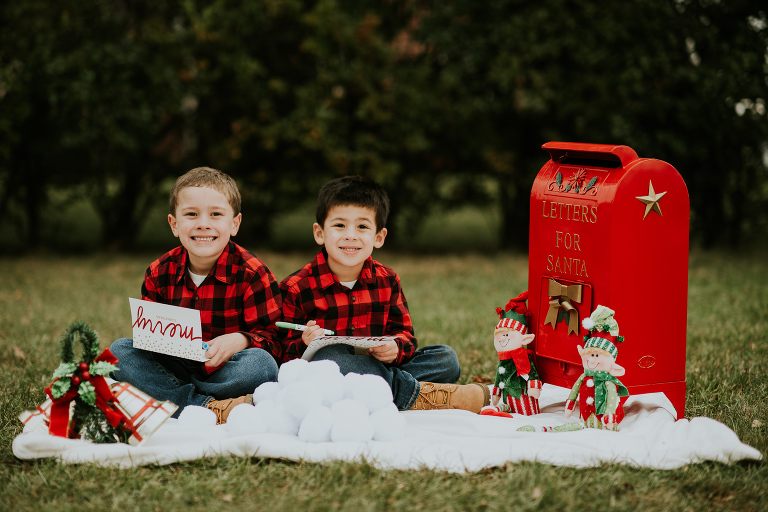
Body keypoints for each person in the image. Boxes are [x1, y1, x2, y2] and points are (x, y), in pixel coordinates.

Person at [279, 175, 490, 412]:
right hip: (329, 372)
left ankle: (380, 388)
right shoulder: (296, 286)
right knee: (332, 357)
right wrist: (305, 342)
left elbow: (406, 335)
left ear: (379, 237)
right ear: (320, 233)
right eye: (339, 225)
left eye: (362, 226)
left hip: (377, 367)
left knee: (446, 358)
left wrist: (396, 348)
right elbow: (282, 357)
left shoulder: (387, 280)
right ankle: (417, 394)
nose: (350, 235)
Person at [110, 167, 282, 424]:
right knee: (119, 352)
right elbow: (148, 340)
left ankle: (169, 397)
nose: (203, 223)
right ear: (174, 224)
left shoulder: (253, 274)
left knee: (262, 366)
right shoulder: (159, 273)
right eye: (191, 214)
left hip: (226, 370)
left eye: (216, 214)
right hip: (173, 367)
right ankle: (209, 407)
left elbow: (274, 340)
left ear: (234, 224)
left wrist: (240, 340)